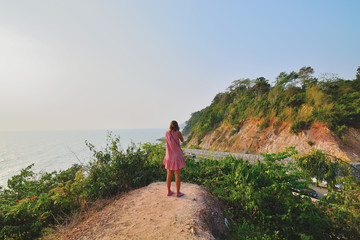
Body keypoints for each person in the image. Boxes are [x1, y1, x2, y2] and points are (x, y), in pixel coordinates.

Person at [163, 120, 186, 197]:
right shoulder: (178, 133)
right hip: (177, 156)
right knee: (177, 175)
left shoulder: (166, 133)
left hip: (169, 156)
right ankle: (178, 193)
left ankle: (169, 191)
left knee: (169, 174)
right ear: (177, 126)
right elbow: (182, 140)